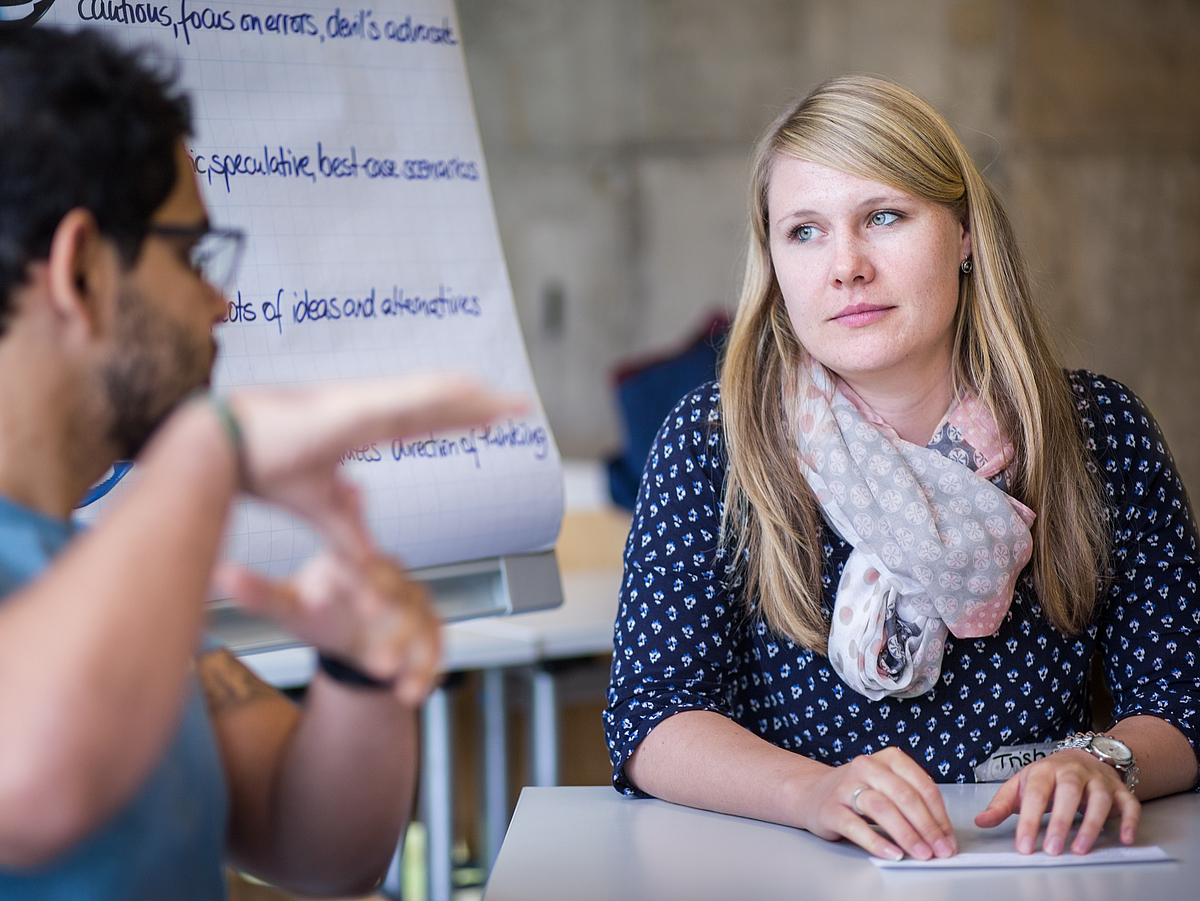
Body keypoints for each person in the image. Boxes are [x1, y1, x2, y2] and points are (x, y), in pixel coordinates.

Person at [604, 74, 1200, 862]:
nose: (845, 266)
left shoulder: (1096, 431)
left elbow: (1183, 700)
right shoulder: (718, 440)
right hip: (794, 867)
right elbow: (650, 717)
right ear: (774, 260)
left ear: (962, 235)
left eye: (883, 217)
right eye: (805, 232)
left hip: (1035, 866)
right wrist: (810, 791)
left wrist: (1106, 762)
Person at [0, 26, 523, 897]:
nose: (220, 299)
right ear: (80, 271)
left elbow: (318, 848)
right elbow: (28, 783)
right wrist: (213, 446)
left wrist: (358, 668)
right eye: (190, 253)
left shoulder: (93, 569)